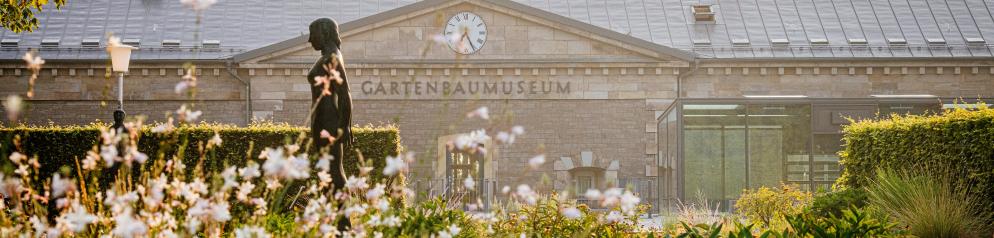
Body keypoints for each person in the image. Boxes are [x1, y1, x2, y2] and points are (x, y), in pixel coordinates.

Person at [307, 17, 354, 232]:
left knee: (334, 171)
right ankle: (335, 221)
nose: (309, 40)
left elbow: (345, 94)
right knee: (329, 171)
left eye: (312, 34)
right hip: (324, 121)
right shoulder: (331, 56)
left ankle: (343, 225)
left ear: (324, 34)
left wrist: (345, 126)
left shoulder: (333, 57)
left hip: (328, 122)